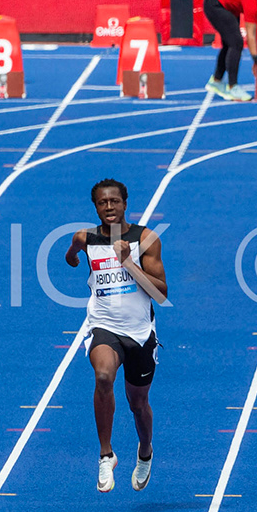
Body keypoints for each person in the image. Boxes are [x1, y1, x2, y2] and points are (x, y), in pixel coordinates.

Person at [63, 179, 169, 493]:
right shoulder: (87, 238)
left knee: (138, 404)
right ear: (95, 207)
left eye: (114, 202)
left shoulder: (145, 239)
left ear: (125, 203)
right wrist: (74, 255)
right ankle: (106, 454)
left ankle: (145, 450)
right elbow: (72, 254)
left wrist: (127, 262)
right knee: (103, 376)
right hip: (103, 325)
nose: (109, 208)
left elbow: (161, 294)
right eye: (102, 203)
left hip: (139, 333)